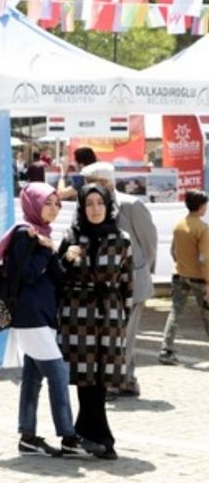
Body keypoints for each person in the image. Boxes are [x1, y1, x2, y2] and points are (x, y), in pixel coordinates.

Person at [0, 183, 104, 458]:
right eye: (47, 203)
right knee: (57, 373)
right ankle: (68, 437)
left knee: (32, 377)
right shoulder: (24, 234)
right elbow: (29, 274)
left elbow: (55, 277)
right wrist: (45, 249)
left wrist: (62, 255)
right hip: (30, 317)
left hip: (42, 316)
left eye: (56, 203)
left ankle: (28, 437)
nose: (53, 209)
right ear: (32, 204)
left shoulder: (42, 236)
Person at [57, 184, 133, 460]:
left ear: (108, 205)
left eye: (99, 203)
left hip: (110, 314)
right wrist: (66, 259)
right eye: (89, 203)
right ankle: (101, 437)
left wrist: (121, 316)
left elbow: (127, 282)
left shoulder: (121, 239)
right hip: (77, 315)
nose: (95, 209)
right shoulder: (71, 236)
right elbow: (57, 277)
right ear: (81, 207)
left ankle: (86, 432)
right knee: (85, 376)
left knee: (102, 376)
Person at [81, 162, 157, 398]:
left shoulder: (130, 205)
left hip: (132, 281)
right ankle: (126, 381)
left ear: (108, 182)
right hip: (104, 285)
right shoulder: (90, 207)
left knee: (125, 335)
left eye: (94, 182)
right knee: (115, 334)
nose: (89, 187)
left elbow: (149, 242)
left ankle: (116, 382)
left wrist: (142, 269)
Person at [160, 190, 209, 365]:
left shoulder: (179, 225)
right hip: (199, 278)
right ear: (202, 206)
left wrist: (181, 263)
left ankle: (166, 350)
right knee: (206, 315)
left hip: (179, 274)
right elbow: (204, 258)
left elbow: (173, 251)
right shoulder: (202, 228)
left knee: (175, 312)